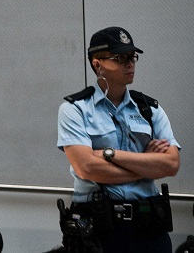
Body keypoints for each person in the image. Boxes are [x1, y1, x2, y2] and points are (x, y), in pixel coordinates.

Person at [57, 26, 180, 253]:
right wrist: (148, 165)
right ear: (97, 64)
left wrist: (110, 154)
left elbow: (171, 164)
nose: (130, 64)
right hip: (99, 226)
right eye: (120, 58)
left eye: (132, 57)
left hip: (149, 225)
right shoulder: (75, 110)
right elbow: (87, 168)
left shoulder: (149, 109)